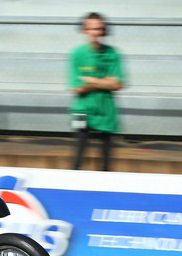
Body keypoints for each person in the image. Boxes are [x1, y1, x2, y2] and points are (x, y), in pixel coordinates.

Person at [68, 12, 125, 171]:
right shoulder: (77, 54)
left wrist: (92, 81)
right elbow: (77, 88)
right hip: (81, 109)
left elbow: (118, 84)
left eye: (99, 29)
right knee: (78, 154)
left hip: (106, 109)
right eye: (92, 29)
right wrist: (105, 81)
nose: (96, 32)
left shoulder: (112, 53)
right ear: (84, 30)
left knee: (106, 159)